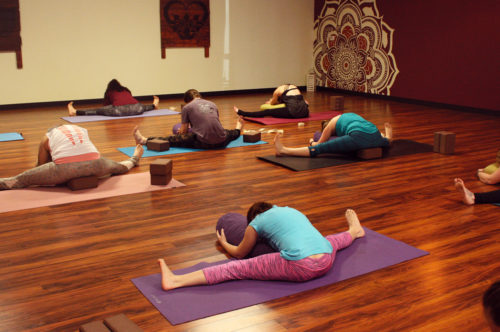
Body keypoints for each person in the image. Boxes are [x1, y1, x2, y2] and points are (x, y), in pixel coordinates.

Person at [157, 203, 365, 291]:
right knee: (333, 240)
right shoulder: (291, 210)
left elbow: (240, 254)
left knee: (237, 268)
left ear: (253, 217)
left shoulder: (257, 222)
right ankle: (355, 231)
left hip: (300, 265)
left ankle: (176, 280)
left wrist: (224, 243)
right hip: (326, 259)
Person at [0, 124, 143, 190]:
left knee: (19, 180)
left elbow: (40, 166)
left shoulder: (47, 136)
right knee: (119, 167)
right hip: (96, 163)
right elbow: (85, 150)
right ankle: (134, 157)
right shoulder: (81, 129)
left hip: (64, 169)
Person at [134, 89, 244, 149]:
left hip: (204, 143)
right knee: (230, 133)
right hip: (221, 141)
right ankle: (238, 128)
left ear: (187, 100)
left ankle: (144, 140)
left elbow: (184, 131)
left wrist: (180, 133)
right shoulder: (212, 103)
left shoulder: (187, 107)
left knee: (173, 140)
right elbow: (211, 122)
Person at [274, 112, 392, 157]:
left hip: (358, 136)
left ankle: (284, 150)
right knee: (387, 141)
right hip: (375, 132)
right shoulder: (348, 116)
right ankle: (388, 135)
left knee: (318, 150)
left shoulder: (331, 123)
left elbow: (319, 144)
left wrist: (312, 141)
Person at [67, 79, 159, 117]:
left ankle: (74, 111)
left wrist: (103, 110)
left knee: (97, 110)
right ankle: (154, 105)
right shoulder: (125, 89)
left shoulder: (109, 91)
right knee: (145, 107)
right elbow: (129, 99)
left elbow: (106, 106)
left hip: (119, 110)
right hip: (137, 108)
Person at [234, 84, 309, 119]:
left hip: (293, 113)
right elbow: (293, 100)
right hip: (305, 112)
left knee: (268, 111)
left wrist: (269, 102)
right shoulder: (294, 87)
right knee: (303, 102)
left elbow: (273, 103)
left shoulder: (277, 90)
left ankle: (242, 113)